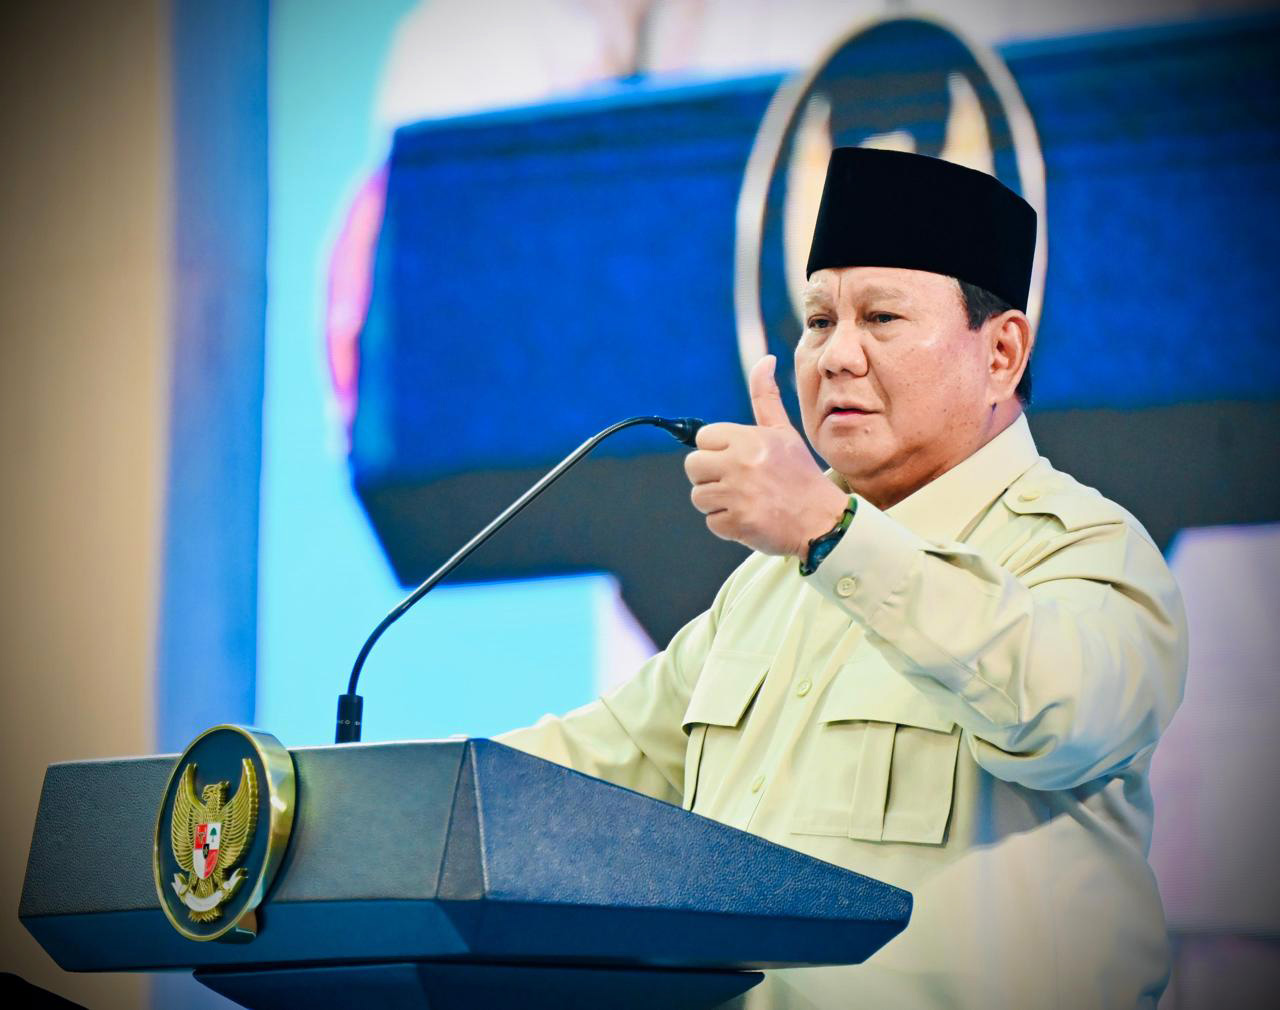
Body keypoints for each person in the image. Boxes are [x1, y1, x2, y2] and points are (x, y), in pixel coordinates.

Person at [497, 147, 1187, 1009]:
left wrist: (831, 534)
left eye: (882, 317)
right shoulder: (768, 586)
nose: (835, 357)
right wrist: (370, 803)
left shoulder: (1085, 548)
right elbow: (591, 766)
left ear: (1002, 353)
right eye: (819, 321)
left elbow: (1059, 714)